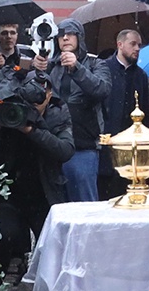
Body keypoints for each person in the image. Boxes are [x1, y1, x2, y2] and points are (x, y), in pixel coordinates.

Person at [0, 67, 75, 291]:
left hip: (43, 191)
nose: (37, 101)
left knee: (49, 245)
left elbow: (65, 150)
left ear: (50, 94)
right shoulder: (6, 107)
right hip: (7, 188)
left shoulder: (58, 110)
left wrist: (33, 129)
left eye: (42, 96)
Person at [43, 19, 109, 203]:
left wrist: (77, 68)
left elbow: (102, 90)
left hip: (83, 147)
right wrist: (36, 71)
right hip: (52, 148)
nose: (65, 38)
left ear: (79, 37)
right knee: (55, 208)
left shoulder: (96, 64)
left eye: (70, 33)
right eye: (61, 34)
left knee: (85, 208)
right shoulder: (50, 66)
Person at [96, 28, 149, 198]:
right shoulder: (104, 68)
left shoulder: (141, 75)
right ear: (120, 45)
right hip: (106, 141)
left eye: (139, 45)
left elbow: (145, 111)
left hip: (130, 147)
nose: (137, 49)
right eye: (133, 44)